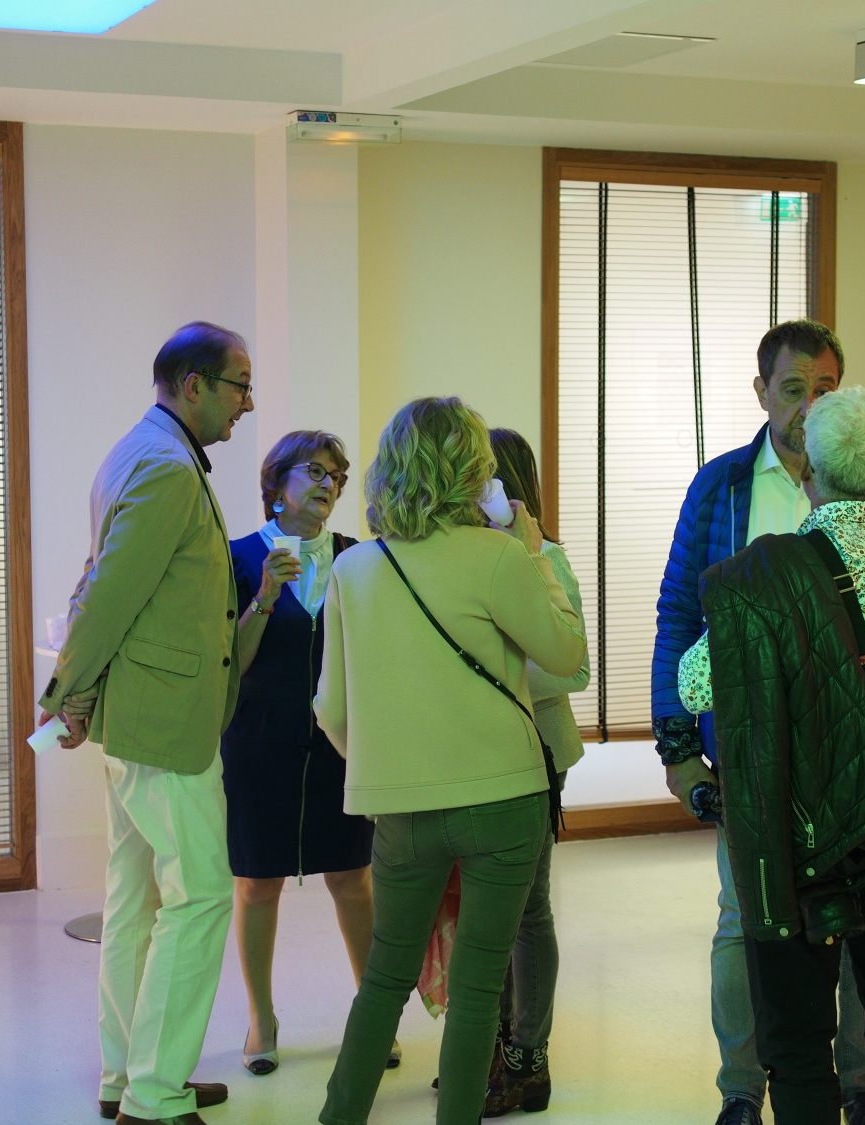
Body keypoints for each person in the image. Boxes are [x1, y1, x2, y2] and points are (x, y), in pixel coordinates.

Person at [679, 385, 865, 1125]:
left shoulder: (759, 575)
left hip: (791, 829)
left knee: (796, 1040)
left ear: (810, 470)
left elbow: (694, 685)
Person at [650, 319, 865, 1125]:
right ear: (761, 392)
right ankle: (742, 1088)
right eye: (793, 388)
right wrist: (677, 745)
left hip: (862, 752)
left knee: (862, 927)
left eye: (826, 389)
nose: (808, 406)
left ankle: (860, 1083)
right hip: (752, 752)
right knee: (745, 921)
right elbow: (679, 615)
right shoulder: (722, 487)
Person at [315, 397, 585, 1125]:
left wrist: (388, 767)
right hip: (505, 800)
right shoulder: (501, 557)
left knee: (383, 979)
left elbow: (331, 709)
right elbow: (567, 655)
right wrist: (535, 554)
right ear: (473, 470)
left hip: (402, 808)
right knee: (476, 989)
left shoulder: (355, 569)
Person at [38, 321, 251, 1125]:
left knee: (135, 900)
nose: (247, 403)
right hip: (165, 722)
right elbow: (110, 592)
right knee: (199, 897)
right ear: (193, 385)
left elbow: (99, 580)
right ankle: (155, 1096)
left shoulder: (136, 451)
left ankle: (126, 1074)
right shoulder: (164, 466)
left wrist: (80, 692)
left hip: (139, 717)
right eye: (239, 385)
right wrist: (67, 689)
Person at [221, 430, 396, 1076]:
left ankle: (372, 1017)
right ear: (277, 482)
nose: (329, 485)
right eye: (316, 471)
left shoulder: (358, 558)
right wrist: (265, 598)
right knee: (256, 883)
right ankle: (260, 1018)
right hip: (258, 744)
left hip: (339, 746)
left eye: (337, 477)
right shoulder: (239, 558)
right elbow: (231, 665)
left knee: (352, 877)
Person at [481, 428, 591, 1118]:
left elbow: (574, 670)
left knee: (527, 909)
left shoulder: (546, 556)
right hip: (473, 756)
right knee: (482, 911)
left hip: (536, 753)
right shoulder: (461, 557)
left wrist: (493, 676)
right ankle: (489, 1047)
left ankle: (528, 1056)